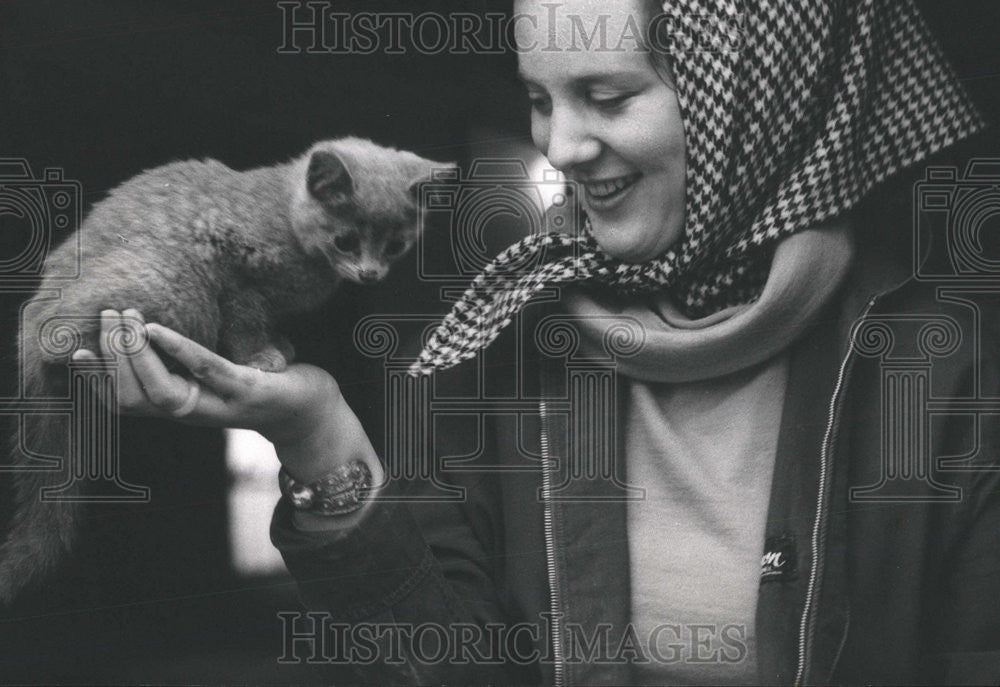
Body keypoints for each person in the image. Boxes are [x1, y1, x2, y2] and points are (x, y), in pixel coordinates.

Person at [76, 0, 1000, 683]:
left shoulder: (937, 365)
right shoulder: (506, 333)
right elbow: (452, 661)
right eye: (538, 99)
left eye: (605, 95)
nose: (560, 144)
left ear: (760, 103)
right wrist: (316, 436)